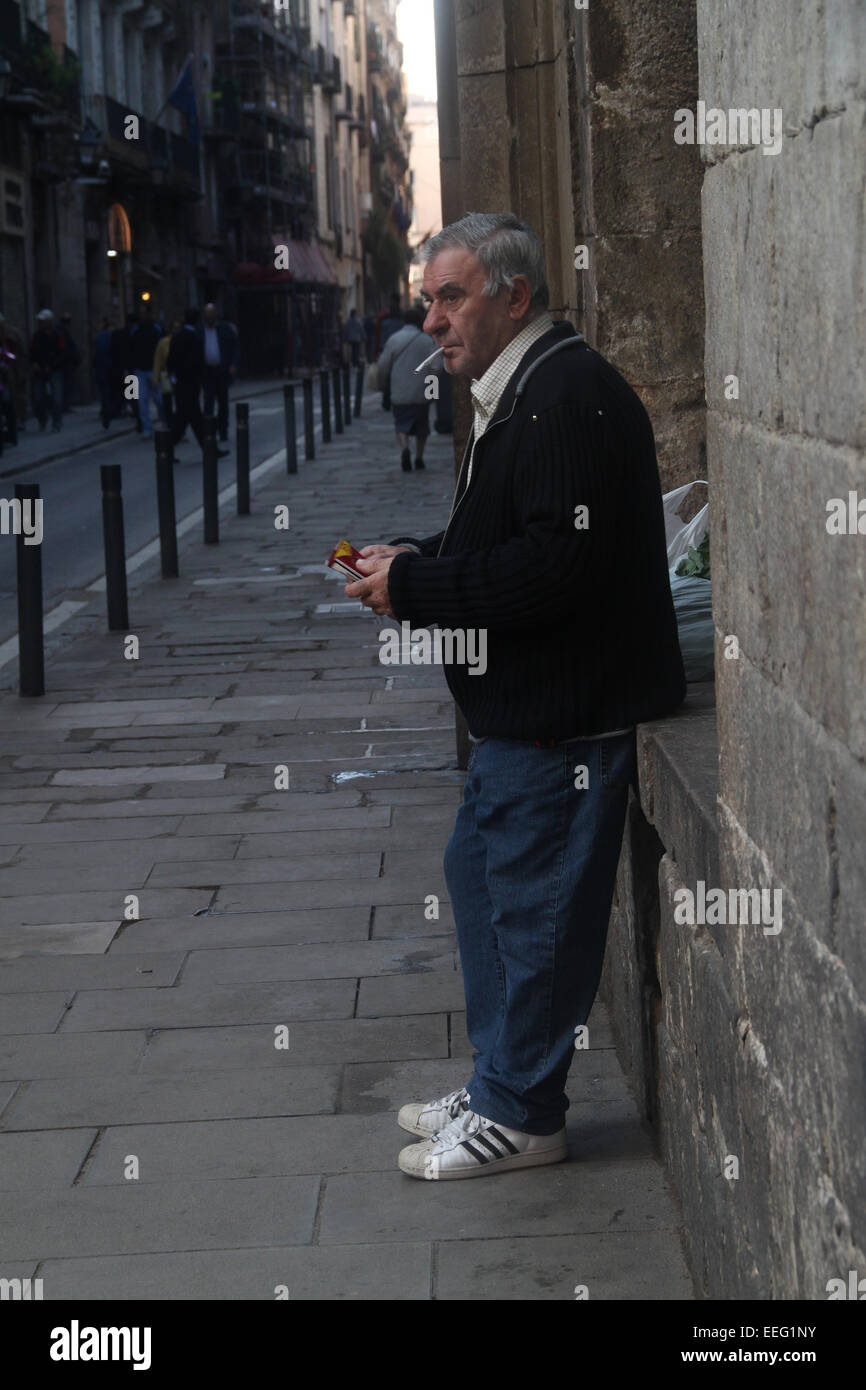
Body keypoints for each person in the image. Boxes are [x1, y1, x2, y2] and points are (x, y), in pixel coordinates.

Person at [345, 212, 686, 1181]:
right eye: (428, 301)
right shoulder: (525, 388)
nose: (434, 320)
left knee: (533, 917)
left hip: (560, 720)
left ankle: (523, 1113)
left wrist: (414, 589)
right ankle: (499, 1076)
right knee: (481, 884)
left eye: (450, 297)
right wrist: (421, 557)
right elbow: (513, 536)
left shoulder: (564, 393)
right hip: (520, 721)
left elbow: (554, 569)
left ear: (513, 295)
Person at [375, 307, 439, 471]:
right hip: (420, 392)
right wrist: (432, 389)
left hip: (400, 390)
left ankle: (404, 448)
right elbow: (436, 367)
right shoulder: (426, 340)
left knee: (401, 424)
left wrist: (383, 384)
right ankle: (419, 457)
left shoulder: (394, 339)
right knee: (421, 427)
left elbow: (383, 366)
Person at [168, 307, 228, 459]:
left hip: (181, 383)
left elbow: (170, 361)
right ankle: (166, 449)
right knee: (187, 420)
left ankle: (209, 449)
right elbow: (196, 362)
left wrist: (173, 377)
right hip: (191, 384)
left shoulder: (176, 337)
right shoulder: (195, 338)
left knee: (193, 420)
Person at [198, 303, 238, 441]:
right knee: (208, 402)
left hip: (221, 371)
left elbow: (235, 347)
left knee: (223, 402)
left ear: (216, 315)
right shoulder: (200, 332)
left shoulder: (225, 329)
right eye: (207, 314)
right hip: (207, 371)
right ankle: (209, 431)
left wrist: (232, 364)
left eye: (211, 314)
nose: (209, 317)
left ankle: (223, 429)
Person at [28, 309, 67, 432]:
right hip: (40, 370)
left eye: (43, 321)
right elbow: (32, 352)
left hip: (55, 370)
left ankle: (57, 423)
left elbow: (62, 353)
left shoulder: (57, 335)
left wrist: (52, 365)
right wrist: (34, 363)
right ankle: (42, 419)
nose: (41, 323)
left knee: (57, 398)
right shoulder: (36, 336)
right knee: (38, 397)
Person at [128, 305, 162, 439]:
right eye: (140, 313)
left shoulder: (156, 329)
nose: (142, 316)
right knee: (141, 400)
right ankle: (146, 428)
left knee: (159, 399)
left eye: (144, 313)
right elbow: (130, 350)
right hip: (139, 370)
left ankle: (164, 421)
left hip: (154, 369)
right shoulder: (135, 331)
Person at [152, 317, 181, 433]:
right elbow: (158, 361)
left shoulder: (182, 341)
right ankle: (169, 423)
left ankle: (179, 425)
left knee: (180, 400)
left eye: (178, 328)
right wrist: (155, 377)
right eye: (174, 328)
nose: (176, 330)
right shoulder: (163, 343)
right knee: (167, 400)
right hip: (166, 375)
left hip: (179, 374)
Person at [59, 312, 82, 412]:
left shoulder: (64, 332)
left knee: (66, 385)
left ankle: (65, 405)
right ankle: (64, 406)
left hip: (67, 362)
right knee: (66, 385)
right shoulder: (63, 332)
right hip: (65, 363)